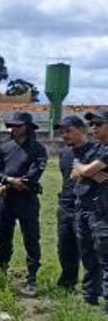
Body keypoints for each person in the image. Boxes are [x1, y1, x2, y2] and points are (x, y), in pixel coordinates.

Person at [0, 111, 48, 290]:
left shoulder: (37, 149)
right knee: (3, 235)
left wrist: (20, 181)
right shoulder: (5, 147)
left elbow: (35, 173)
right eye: (12, 126)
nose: (15, 129)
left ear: (28, 127)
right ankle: (2, 269)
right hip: (6, 196)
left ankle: (32, 275)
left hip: (26, 198)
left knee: (31, 237)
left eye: (19, 125)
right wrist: (10, 180)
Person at [70, 110, 108, 308]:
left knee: (105, 255)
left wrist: (84, 170)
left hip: (102, 210)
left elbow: (83, 170)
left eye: (99, 124)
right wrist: (89, 172)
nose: (93, 128)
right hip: (85, 207)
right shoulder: (95, 149)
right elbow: (74, 173)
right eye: (92, 124)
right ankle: (90, 295)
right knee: (88, 253)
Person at [54, 116, 96, 292]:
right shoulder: (65, 153)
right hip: (66, 205)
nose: (64, 135)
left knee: (88, 249)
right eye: (62, 131)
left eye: (68, 130)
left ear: (82, 129)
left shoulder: (95, 152)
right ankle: (67, 283)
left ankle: (92, 289)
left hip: (87, 206)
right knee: (65, 247)